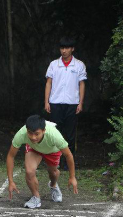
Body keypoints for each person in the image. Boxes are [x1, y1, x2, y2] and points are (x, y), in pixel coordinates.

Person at [6, 115, 78, 209]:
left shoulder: (54, 136)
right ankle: (36, 197)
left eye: (36, 134)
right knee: (29, 171)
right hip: (34, 149)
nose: (33, 137)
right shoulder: (21, 134)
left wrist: (72, 177)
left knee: (53, 173)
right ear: (26, 130)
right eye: (30, 133)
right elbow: (10, 156)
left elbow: (68, 155)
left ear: (44, 131)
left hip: (52, 150)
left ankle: (53, 185)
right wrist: (11, 181)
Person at [45, 37, 87, 170]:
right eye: (62, 48)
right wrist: (46, 101)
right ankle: (54, 161)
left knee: (70, 134)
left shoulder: (79, 65)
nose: (64, 51)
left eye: (67, 48)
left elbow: (81, 84)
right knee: (55, 133)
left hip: (72, 103)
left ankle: (68, 163)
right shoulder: (53, 64)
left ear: (72, 49)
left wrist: (80, 102)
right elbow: (49, 83)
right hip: (55, 102)